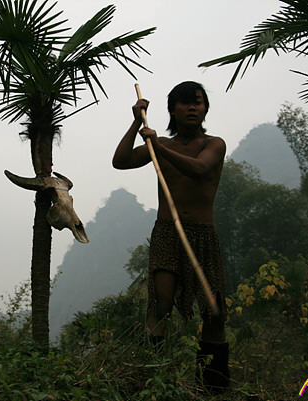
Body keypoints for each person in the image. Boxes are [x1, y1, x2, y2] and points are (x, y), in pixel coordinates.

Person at [112, 81, 230, 392]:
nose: (193, 107)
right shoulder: (159, 143)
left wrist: (158, 147)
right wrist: (137, 122)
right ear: (172, 109)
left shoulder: (214, 144)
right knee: (160, 304)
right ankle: (155, 383)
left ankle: (212, 388)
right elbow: (120, 161)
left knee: (213, 311)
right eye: (185, 102)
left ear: (205, 109)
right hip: (167, 232)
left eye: (199, 102)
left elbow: (200, 169)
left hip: (202, 235)